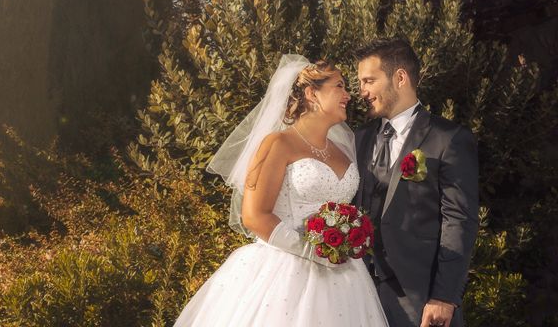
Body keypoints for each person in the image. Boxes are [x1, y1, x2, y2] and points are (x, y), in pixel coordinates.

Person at [174, 55, 388, 326]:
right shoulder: (278, 144)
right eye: (340, 86)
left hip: (345, 277)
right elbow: (254, 216)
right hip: (283, 271)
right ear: (312, 93)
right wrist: (312, 252)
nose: (348, 95)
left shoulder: (345, 152)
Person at [353, 38, 479, 327]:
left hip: (419, 297)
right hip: (357, 290)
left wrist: (445, 297)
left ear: (400, 77)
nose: (362, 91)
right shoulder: (359, 138)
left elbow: (459, 221)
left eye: (369, 81)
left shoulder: (448, 138)